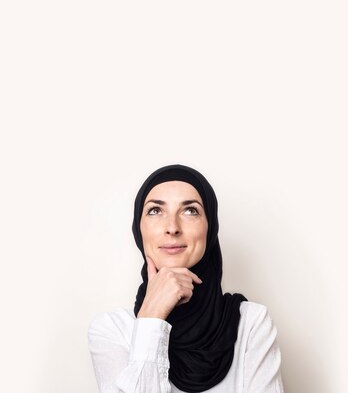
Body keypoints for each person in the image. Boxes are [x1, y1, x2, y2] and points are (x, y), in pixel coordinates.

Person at [88, 164, 284, 392]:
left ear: (210, 228)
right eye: (155, 211)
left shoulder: (251, 323)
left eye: (190, 211)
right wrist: (152, 318)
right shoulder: (111, 330)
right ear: (138, 228)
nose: (172, 227)